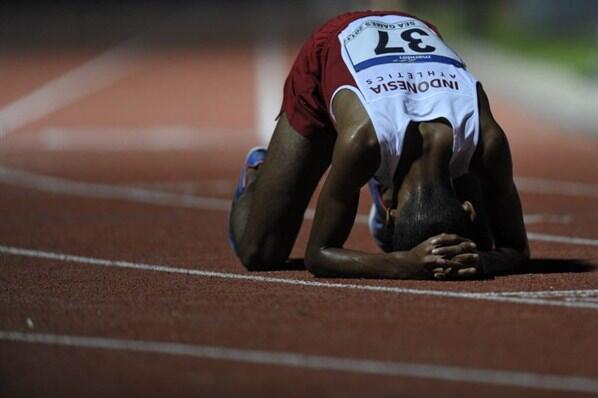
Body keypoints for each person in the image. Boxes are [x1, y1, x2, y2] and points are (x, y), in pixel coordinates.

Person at [228, 10, 529, 280]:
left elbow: (516, 249)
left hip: (410, 40)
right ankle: (261, 172)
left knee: (477, 244)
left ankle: (384, 183)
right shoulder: (364, 142)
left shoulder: (488, 141)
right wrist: (401, 264)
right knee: (259, 253)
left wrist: (481, 259)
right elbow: (317, 255)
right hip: (336, 44)